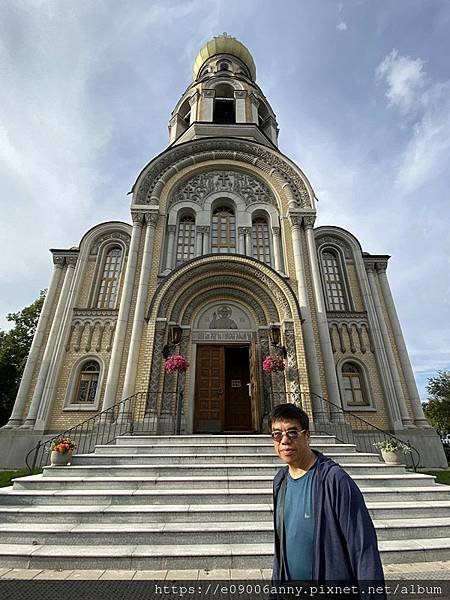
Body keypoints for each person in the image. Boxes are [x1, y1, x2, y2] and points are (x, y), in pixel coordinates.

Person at [270, 402, 385, 587]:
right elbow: (281, 547)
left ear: (307, 436)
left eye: (292, 432)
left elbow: (363, 548)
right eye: (277, 435)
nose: (284, 441)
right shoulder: (280, 481)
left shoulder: (334, 480)